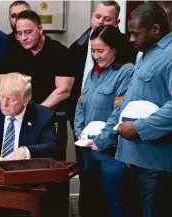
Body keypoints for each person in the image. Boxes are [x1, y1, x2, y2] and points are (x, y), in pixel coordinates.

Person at [116, 3, 172, 217]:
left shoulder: (169, 55)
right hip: (134, 158)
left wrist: (139, 128)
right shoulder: (146, 53)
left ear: (156, 29)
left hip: (155, 162)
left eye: (135, 33)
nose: (131, 39)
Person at [74, 25, 134, 217]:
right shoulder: (93, 73)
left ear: (114, 48)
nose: (96, 56)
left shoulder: (126, 72)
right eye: (93, 51)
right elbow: (80, 104)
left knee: (115, 204)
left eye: (101, 51)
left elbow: (120, 112)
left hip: (111, 153)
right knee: (92, 204)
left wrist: (101, 141)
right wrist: (79, 131)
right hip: (89, 151)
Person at [2, 10, 73, 161]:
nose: (23, 38)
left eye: (28, 32)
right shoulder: (14, 53)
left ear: (40, 29)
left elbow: (63, 90)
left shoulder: (59, 52)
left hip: (51, 119)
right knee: (23, 166)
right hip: (21, 119)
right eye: (19, 33)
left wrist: (37, 113)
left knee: (54, 169)